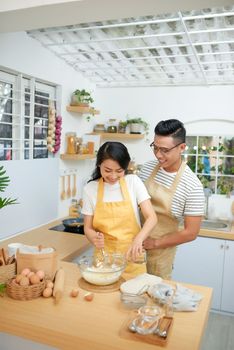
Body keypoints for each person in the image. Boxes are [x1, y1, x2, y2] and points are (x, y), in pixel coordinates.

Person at [139, 119, 205, 279]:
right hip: (134, 246)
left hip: (160, 255)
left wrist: (154, 243)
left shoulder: (192, 186)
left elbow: (191, 233)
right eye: (155, 147)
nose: (158, 155)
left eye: (164, 150)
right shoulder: (146, 169)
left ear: (182, 147)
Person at [81, 141, 157, 277]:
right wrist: (93, 237)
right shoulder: (90, 189)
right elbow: (87, 228)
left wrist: (139, 239)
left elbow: (152, 217)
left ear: (125, 167)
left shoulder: (133, 182)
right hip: (104, 261)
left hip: (132, 256)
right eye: (107, 170)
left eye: (119, 171)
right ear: (99, 165)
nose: (113, 176)